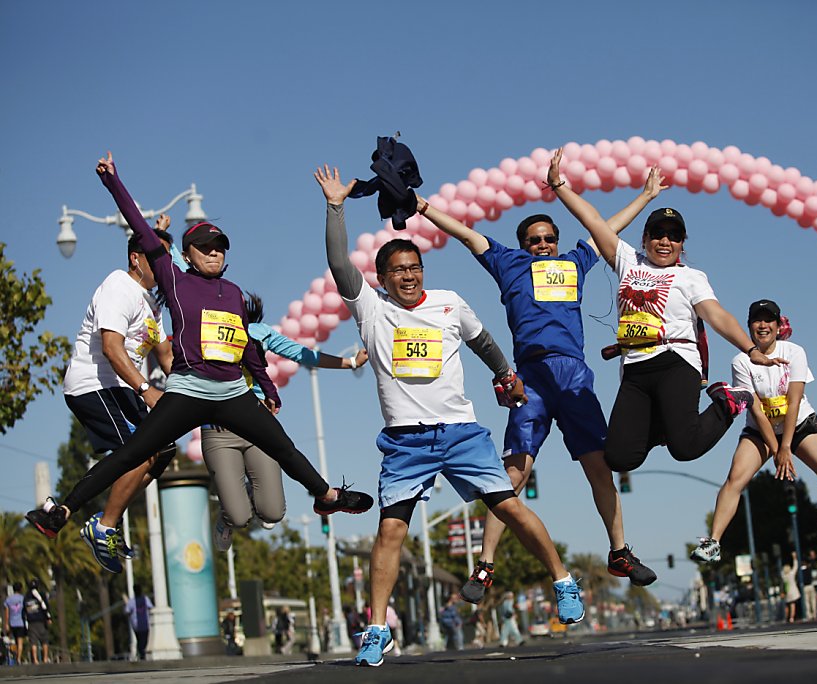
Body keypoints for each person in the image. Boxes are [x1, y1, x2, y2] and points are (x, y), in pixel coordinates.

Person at [318, 163, 585, 667]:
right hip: (406, 442)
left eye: (414, 267)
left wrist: (507, 375)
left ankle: (563, 582)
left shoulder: (447, 303)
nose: (408, 275)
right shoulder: (372, 310)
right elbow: (337, 262)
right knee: (390, 530)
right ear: (382, 278)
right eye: (398, 270)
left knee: (508, 506)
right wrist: (336, 206)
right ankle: (377, 629)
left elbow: (482, 341)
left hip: (462, 433)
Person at [25, 153, 371, 539]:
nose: (214, 253)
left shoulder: (235, 293)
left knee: (283, 447)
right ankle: (62, 512)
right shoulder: (175, 280)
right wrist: (112, 182)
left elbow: (250, 351)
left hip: (233, 393)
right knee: (132, 453)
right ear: (185, 255)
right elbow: (138, 225)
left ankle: (326, 495)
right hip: (188, 391)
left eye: (220, 247)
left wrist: (270, 387)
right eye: (205, 248)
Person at [417, 171, 665, 604]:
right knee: (513, 472)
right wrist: (422, 208)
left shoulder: (574, 261)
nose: (543, 244)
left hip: (573, 375)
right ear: (522, 244)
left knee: (598, 467)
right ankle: (485, 562)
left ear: (557, 239)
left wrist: (645, 196)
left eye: (548, 237)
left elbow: (606, 228)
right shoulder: (507, 263)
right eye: (534, 239)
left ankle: (620, 551)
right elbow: (465, 233)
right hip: (530, 378)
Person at [547, 149, 784, 474]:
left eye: (673, 236)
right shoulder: (628, 261)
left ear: (681, 245)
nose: (664, 241)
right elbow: (593, 220)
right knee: (619, 458)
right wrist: (560, 186)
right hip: (634, 367)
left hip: (676, 361)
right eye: (657, 233)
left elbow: (717, 316)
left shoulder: (690, 277)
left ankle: (731, 401)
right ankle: (662, 425)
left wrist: (751, 349)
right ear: (644, 239)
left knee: (685, 448)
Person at [691, 299, 817, 563]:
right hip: (760, 429)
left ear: (777, 326)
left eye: (769, 320)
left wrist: (786, 447)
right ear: (749, 326)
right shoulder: (741, 361)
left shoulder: (794, 352)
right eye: (757, 320)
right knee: (735, 478)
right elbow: (756, 410)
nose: (763, 326)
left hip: (797, 423)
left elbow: (794, 400)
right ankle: (713, 542)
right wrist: (776, 451)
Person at [30, 217, 176, 573]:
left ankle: (77, 514)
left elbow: (168, 357)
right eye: (157, 257)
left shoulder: (152, 306)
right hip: (92, 383)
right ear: (135, 258)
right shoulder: (118, 286)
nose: (164, 265)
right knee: (138, 452)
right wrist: (146, 389)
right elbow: (112, 348)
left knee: (163, 450)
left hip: (120, 386)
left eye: (167, 259)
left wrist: (207, 394)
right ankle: (99, 523)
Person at [198, 290, 370, 552]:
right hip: (220, 427)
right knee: (239, 516)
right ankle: (227, 515)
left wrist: (349, 362)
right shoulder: (200, 331)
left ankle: (256, 494)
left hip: (256, 422)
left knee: (272, 514)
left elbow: (301, 353)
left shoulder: (260, 332)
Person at [124, 584, 152, 660]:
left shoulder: (132, 601)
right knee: (143, 640)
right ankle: (141, 653)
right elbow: (150, 607)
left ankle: (140, 653)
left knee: (140, 639)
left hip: (137, 624)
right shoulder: (145, 599)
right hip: (143, 623)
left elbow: (127, 611)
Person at [3, 583, 25, 665]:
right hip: (21, 623)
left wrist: (6, 624)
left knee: (13, 642)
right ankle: (18, 658)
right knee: (20, 642)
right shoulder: (22, 598)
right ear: (20, 589)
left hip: (12, 623)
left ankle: (14, 656)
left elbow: (7, 613)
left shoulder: (8, 599)